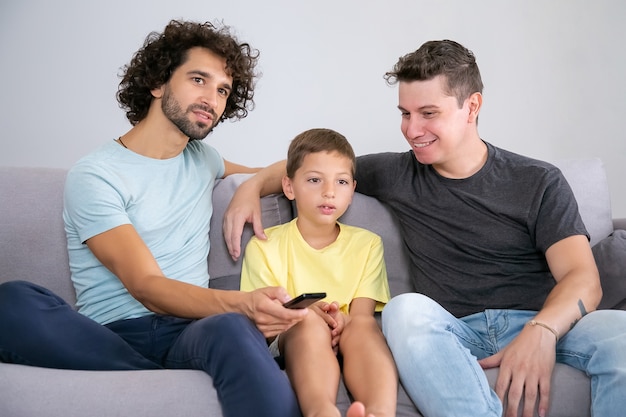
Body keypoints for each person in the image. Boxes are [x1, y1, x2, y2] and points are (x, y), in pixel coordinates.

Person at [222, 39, 626, 417]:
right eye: (405, 114)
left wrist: (542, 331)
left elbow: (582, 279)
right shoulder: (399, 172)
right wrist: (252, 185)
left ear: (472, 106)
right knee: (404, 309)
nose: (412, 130)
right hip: (451, 332)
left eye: (428, 113)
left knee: (621, 333)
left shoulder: (538, 181)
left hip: (540, 319)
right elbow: (317, 166)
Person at [0, 19, 308, 417]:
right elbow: (146, 285)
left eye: (222, 91)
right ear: (158, 82)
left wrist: (252, 185)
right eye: (198, 79)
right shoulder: (96, 174)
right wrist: (242, 304)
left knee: (230, 328)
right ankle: (150, 373)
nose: (212, 100)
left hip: (191, 330)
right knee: (12, 301)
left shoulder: (205, 161)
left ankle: (156, 375)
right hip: (113, 335)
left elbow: (296, 167)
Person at [239, 128, 398, 417]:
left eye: (341, 182)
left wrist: (342, 319)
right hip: (293, 331)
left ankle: (379, 412)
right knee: (308, 324)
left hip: (348, 331)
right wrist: (311, 313)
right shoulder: (265, 245)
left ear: (352, 191)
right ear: (289, 187)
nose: (329, 192)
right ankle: (321, 412)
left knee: (363, 328)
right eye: (314, 180)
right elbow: (266, 317)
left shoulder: (368, 243)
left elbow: (362, 315)